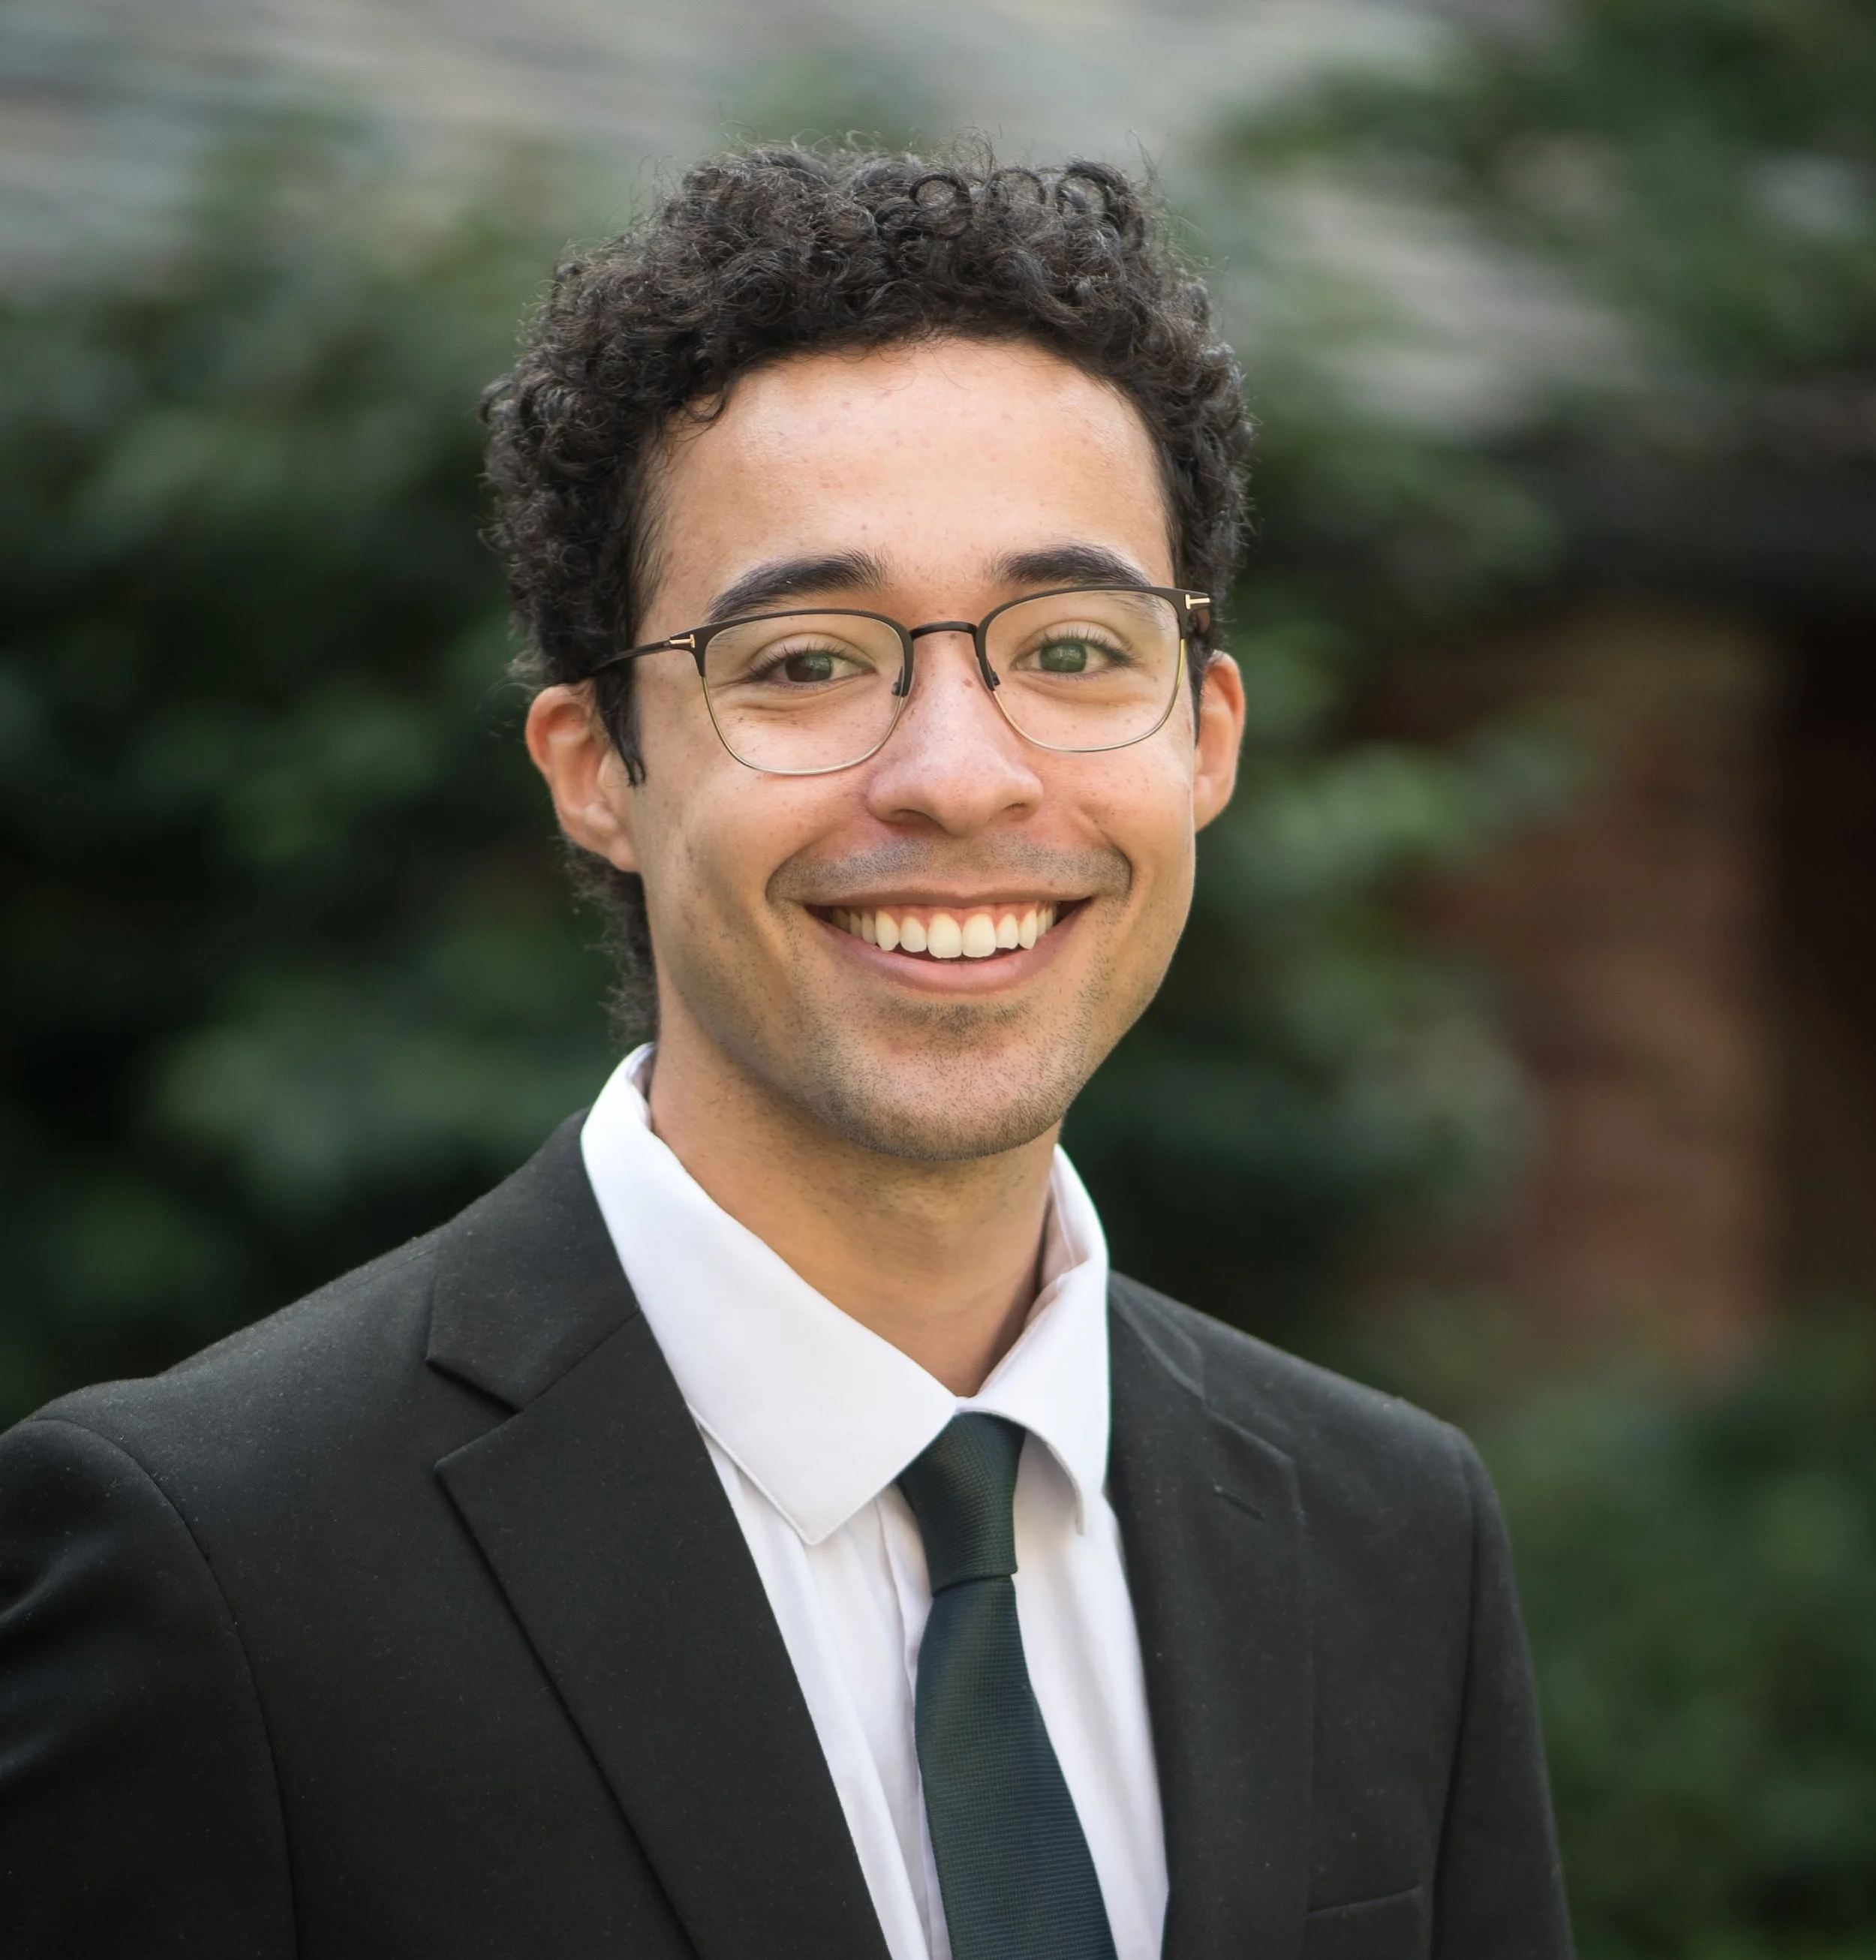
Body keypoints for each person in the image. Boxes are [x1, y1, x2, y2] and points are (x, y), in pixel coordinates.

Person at [0, 146, 1571, 1959]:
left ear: (1204, 734)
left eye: (1070, 646)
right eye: (809, 662)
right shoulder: (213, 1565)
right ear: (597, 766)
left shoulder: (1390, 1533)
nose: (960, 770)